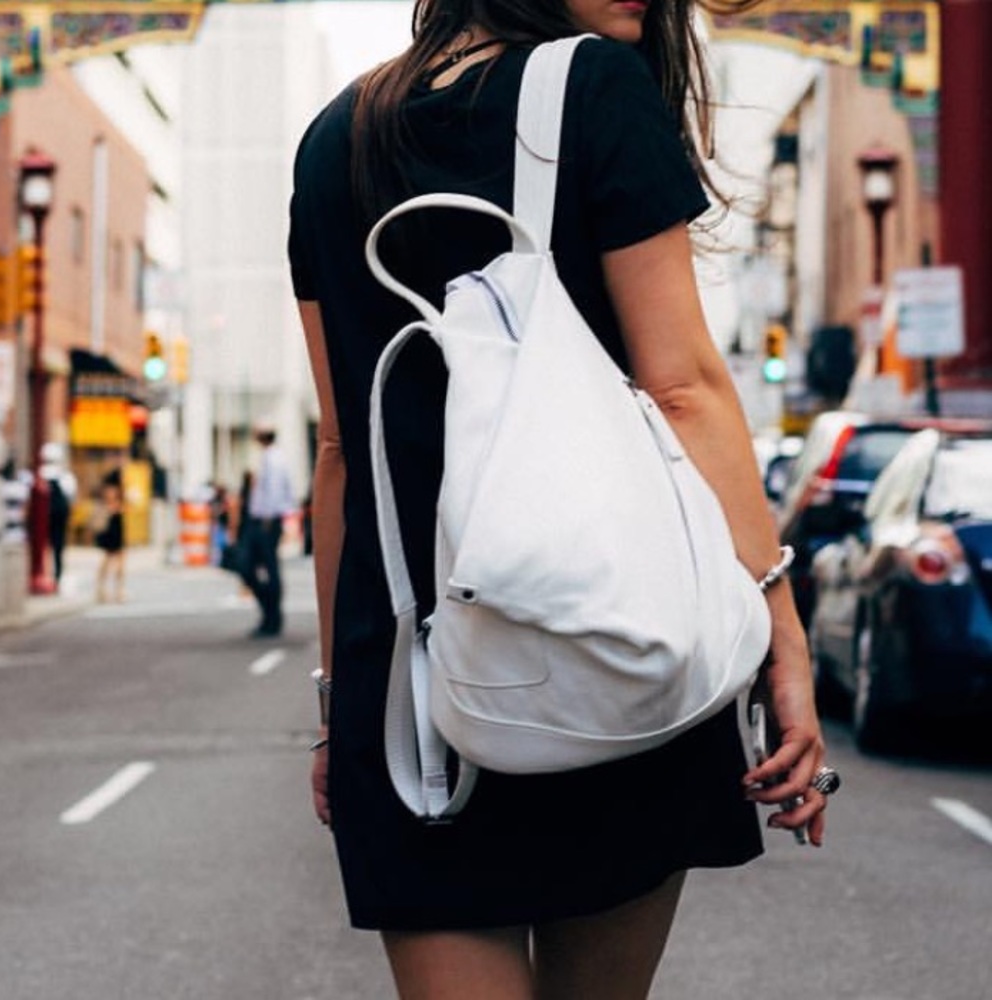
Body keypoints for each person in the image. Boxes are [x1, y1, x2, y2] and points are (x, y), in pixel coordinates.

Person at [289, 0, 831, 994]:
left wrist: (340, 708)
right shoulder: (593, 90)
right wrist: (779, 639)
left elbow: (340, 451)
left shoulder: (333, 140)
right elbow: (682, 390)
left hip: (413, 689)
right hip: (605, 645)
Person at [240, 423, 294, 638]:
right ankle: (270, 613)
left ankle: (272, 617)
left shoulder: (273, 459)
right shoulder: (269, 458)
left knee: (264, 569)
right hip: (263, 520)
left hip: (266, 522)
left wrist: (268, 521)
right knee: (251, 567)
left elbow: (274, 492)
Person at [39, 442, 77, 587]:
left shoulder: (40, 474)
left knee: (43, 547)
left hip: (43, 519)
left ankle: (45, 574)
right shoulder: (64, 477)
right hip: (59, 519)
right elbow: (71, 497)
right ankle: (56, 576)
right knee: (58, 547)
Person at [95, 474, 125, 603]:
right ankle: (102, 590)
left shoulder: (120, 502)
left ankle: (118, 590)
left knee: (120, 563)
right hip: (109, 533)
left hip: (118, 533)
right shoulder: (105, 503)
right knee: (107, 561)